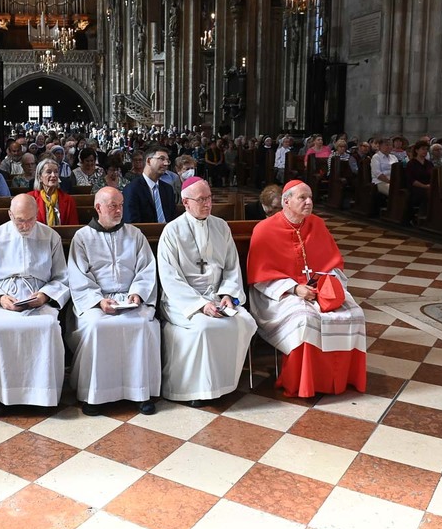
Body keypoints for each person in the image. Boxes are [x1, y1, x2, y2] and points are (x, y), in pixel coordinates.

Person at [247, 181, 366, 397]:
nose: (309, 202)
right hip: (279, 293)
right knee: (304, 319)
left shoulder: (317, 224)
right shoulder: (264, 229)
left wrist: (324, 285)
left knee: (354, 313)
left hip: (319, 289)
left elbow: (333, 264)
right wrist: (294, 289)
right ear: (286, 201)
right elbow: (260, 277)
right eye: (302, 198)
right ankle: (303, 383)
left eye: (310, 197)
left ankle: (341, 378)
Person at [156, 178, 257, 406]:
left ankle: (224, 384)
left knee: (244, 322)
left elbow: (231, 267)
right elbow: (170, 278)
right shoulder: (172, 231)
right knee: (204, 327)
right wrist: (201, 305)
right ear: (186, 202)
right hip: (182, 300)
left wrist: (228, 295)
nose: (208, 204)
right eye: (201, 200)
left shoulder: (221, 226)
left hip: (217, 296)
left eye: (210, 198)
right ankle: (194, 391)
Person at [0, 194, 70, 415]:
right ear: (10, 215)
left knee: (48, 326)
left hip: (38, 299)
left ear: (37, 214)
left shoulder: (50, 236)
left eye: (31, 220)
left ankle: (42, 396)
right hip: (3, 300)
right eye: (20, 220)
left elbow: (62, 277)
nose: (25, 226)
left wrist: (44, 296)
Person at [66, 187, 160, 416]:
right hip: (96, 300)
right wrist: (99, 301)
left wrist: (137, 293)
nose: (119, 210)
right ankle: (95, 396)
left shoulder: (135, 235)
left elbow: (146, 269)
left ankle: (141, 393)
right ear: (98, 208)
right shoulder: (82, 237)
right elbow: (78, 276)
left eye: (121, 205)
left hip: (130, 298)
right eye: (113, 206)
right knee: (97, 326)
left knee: (141, 324)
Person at [123, 145, 177, 223]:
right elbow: (131, 222)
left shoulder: (168, 189)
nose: (166, 163)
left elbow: (173, 219)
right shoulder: (132, 189)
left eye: (167, 160)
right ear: (148, 161)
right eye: (161, 159)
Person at [28, 158, 78, 226]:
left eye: (56, 172)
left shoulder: (68, 200)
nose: (53, 175)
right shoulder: (30, 199)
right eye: (49, 172)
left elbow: (73, 227)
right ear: (40, 177)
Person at [404, 140, 433, 210]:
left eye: (426, 149)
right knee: (426, 194)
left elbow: (433, 176)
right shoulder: (411, 164)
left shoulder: (429, 163)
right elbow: (411, 180)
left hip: (429, 186)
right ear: (417, 150)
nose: (425, 151)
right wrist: (424, 186)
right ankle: (423, 214)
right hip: (416, 188)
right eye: (423, 149)